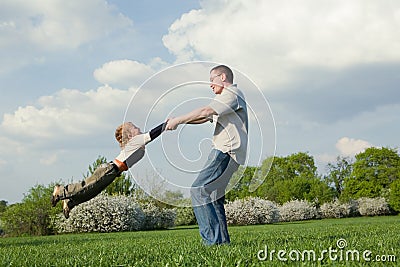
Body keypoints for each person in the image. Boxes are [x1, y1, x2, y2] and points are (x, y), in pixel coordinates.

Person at [166, 65, 248, 245]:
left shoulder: (232, 93)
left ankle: (211, 242)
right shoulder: (225, 100)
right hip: (232, 153)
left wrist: (178, 119)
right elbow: (203, 118)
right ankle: (222, 244)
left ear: (223, 76)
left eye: (212, 79)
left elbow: (205, 111)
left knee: (198, 190)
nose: (210, 84)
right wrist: (178, 123)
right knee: (214, 197)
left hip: (225, 150)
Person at [51, 121, 166, 219]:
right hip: (109, 169)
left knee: (92, 192)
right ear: (130, 136)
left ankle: (69, 203)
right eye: (135, 128)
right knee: (87, 185)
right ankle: (60, 190)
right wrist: (167, 124)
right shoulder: (136, 141)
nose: (139, 128)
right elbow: (152, 134)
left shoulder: (138, 145)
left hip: (113, 173)